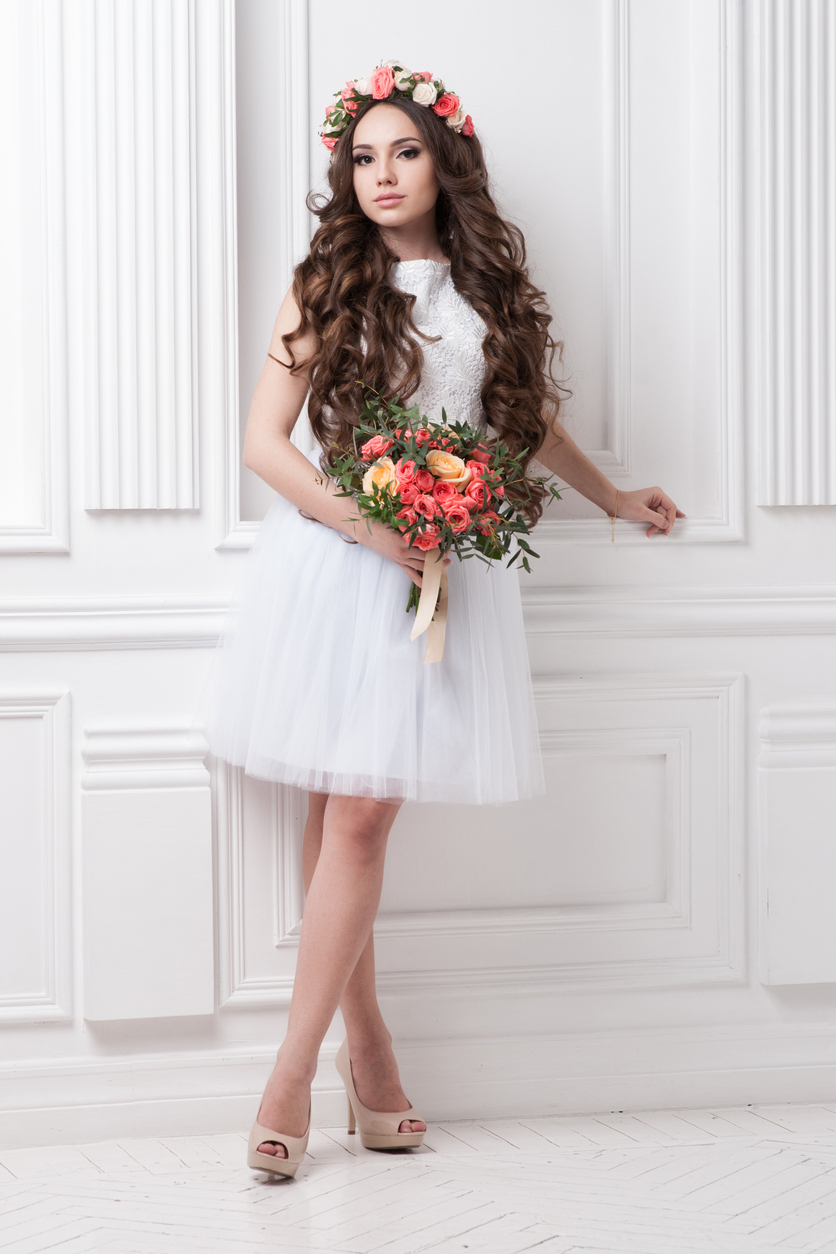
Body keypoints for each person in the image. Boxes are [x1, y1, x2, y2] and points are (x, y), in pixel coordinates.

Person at [202, 61, 684, 1178]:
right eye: (361, 157)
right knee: (352, 817)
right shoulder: (325, 282)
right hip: (340, 569)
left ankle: (360, 1057)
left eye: (402, 151)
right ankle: (312, 1067)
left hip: (445, 576)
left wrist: (608, 496)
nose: (380, 174)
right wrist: (372, 529)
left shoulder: (482, 286)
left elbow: (521, 416)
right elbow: (262, 444)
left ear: (441, 160)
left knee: (350, 822)